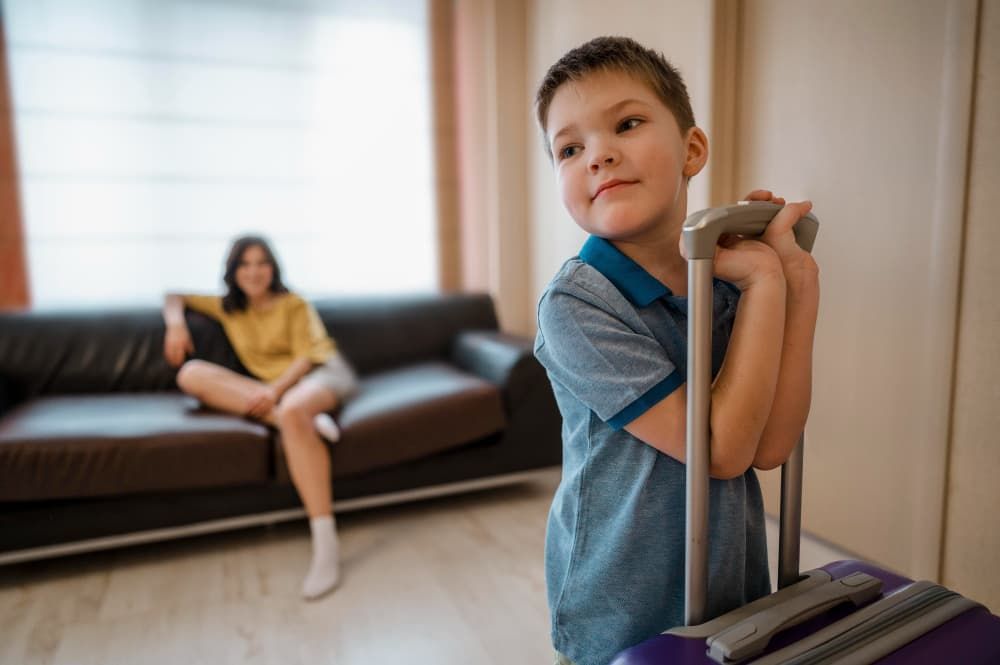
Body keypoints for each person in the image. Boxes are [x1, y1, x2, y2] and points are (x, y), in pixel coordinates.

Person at [532, 36, 819, 665]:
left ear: (692, 150)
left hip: (727, 582)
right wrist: (766, 284)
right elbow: (719, 451)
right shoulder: (577, 306)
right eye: (569, 149)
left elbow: (769, 448)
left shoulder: (726, 277)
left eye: (627, 124)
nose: (598, 156)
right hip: (619, 602)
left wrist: (795, 279)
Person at [162, 235, 358, 601]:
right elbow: (174, 295)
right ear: (233, 271)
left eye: (262, 263)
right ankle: (295, 421)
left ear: (273, 268)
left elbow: (307, 357)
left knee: (296, 408)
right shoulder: (229, 308)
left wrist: (276, 391)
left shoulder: (294, 304)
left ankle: (326, 545)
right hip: (276, 393)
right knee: (190, 373)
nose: (254, 271)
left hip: (319, 374)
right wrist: (175, 324)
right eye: (245, 264)